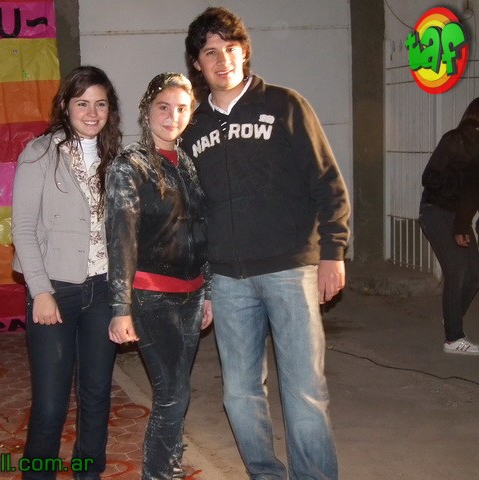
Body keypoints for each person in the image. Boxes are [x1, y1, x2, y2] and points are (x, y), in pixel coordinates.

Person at [181, 7, 351, 480]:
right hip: (228, 280)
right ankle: (266, 474)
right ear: (197, 63)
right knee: (239, 394)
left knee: (304, 391)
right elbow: (192, 215)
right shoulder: (192, 127)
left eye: (230, 48)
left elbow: (328, 183)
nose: (222, 60)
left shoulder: (285, 105)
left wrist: (333, 253)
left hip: (289, 270)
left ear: (245, 51)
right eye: (210, 52)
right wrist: (203, 284)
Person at [11, 65, 122, 480]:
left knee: (96, 395)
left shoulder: (116, 158)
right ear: (65, 106)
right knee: (51, 403)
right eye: (82, 103)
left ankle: (88, 473)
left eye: (100, 104)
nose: (92, 113)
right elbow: (23, 228)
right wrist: (40, 291)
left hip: (104, 290)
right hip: (55, 291)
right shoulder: (39, 153)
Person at [105, 72, 213, 480]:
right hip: (151, 295)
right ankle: (159, 473)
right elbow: (120, 239)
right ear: (146, 110)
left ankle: (170, 464)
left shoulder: (187, 163)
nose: (172, 116)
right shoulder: (129, 166)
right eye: (163, 107)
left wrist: (208, 290)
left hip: (192, 295)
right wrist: (121, 308)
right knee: (172, 394)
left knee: (177, 392)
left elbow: (201, 228)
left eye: (182, 108)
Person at [419, 97, 479, 355]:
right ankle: (453, 338)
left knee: (474, 272)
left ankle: (452, 317)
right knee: (457, 269)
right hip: (436, 211)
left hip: (459, 218)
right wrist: (457, 191)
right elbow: (429, 177)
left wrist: (463, 221)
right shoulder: (456, 139)